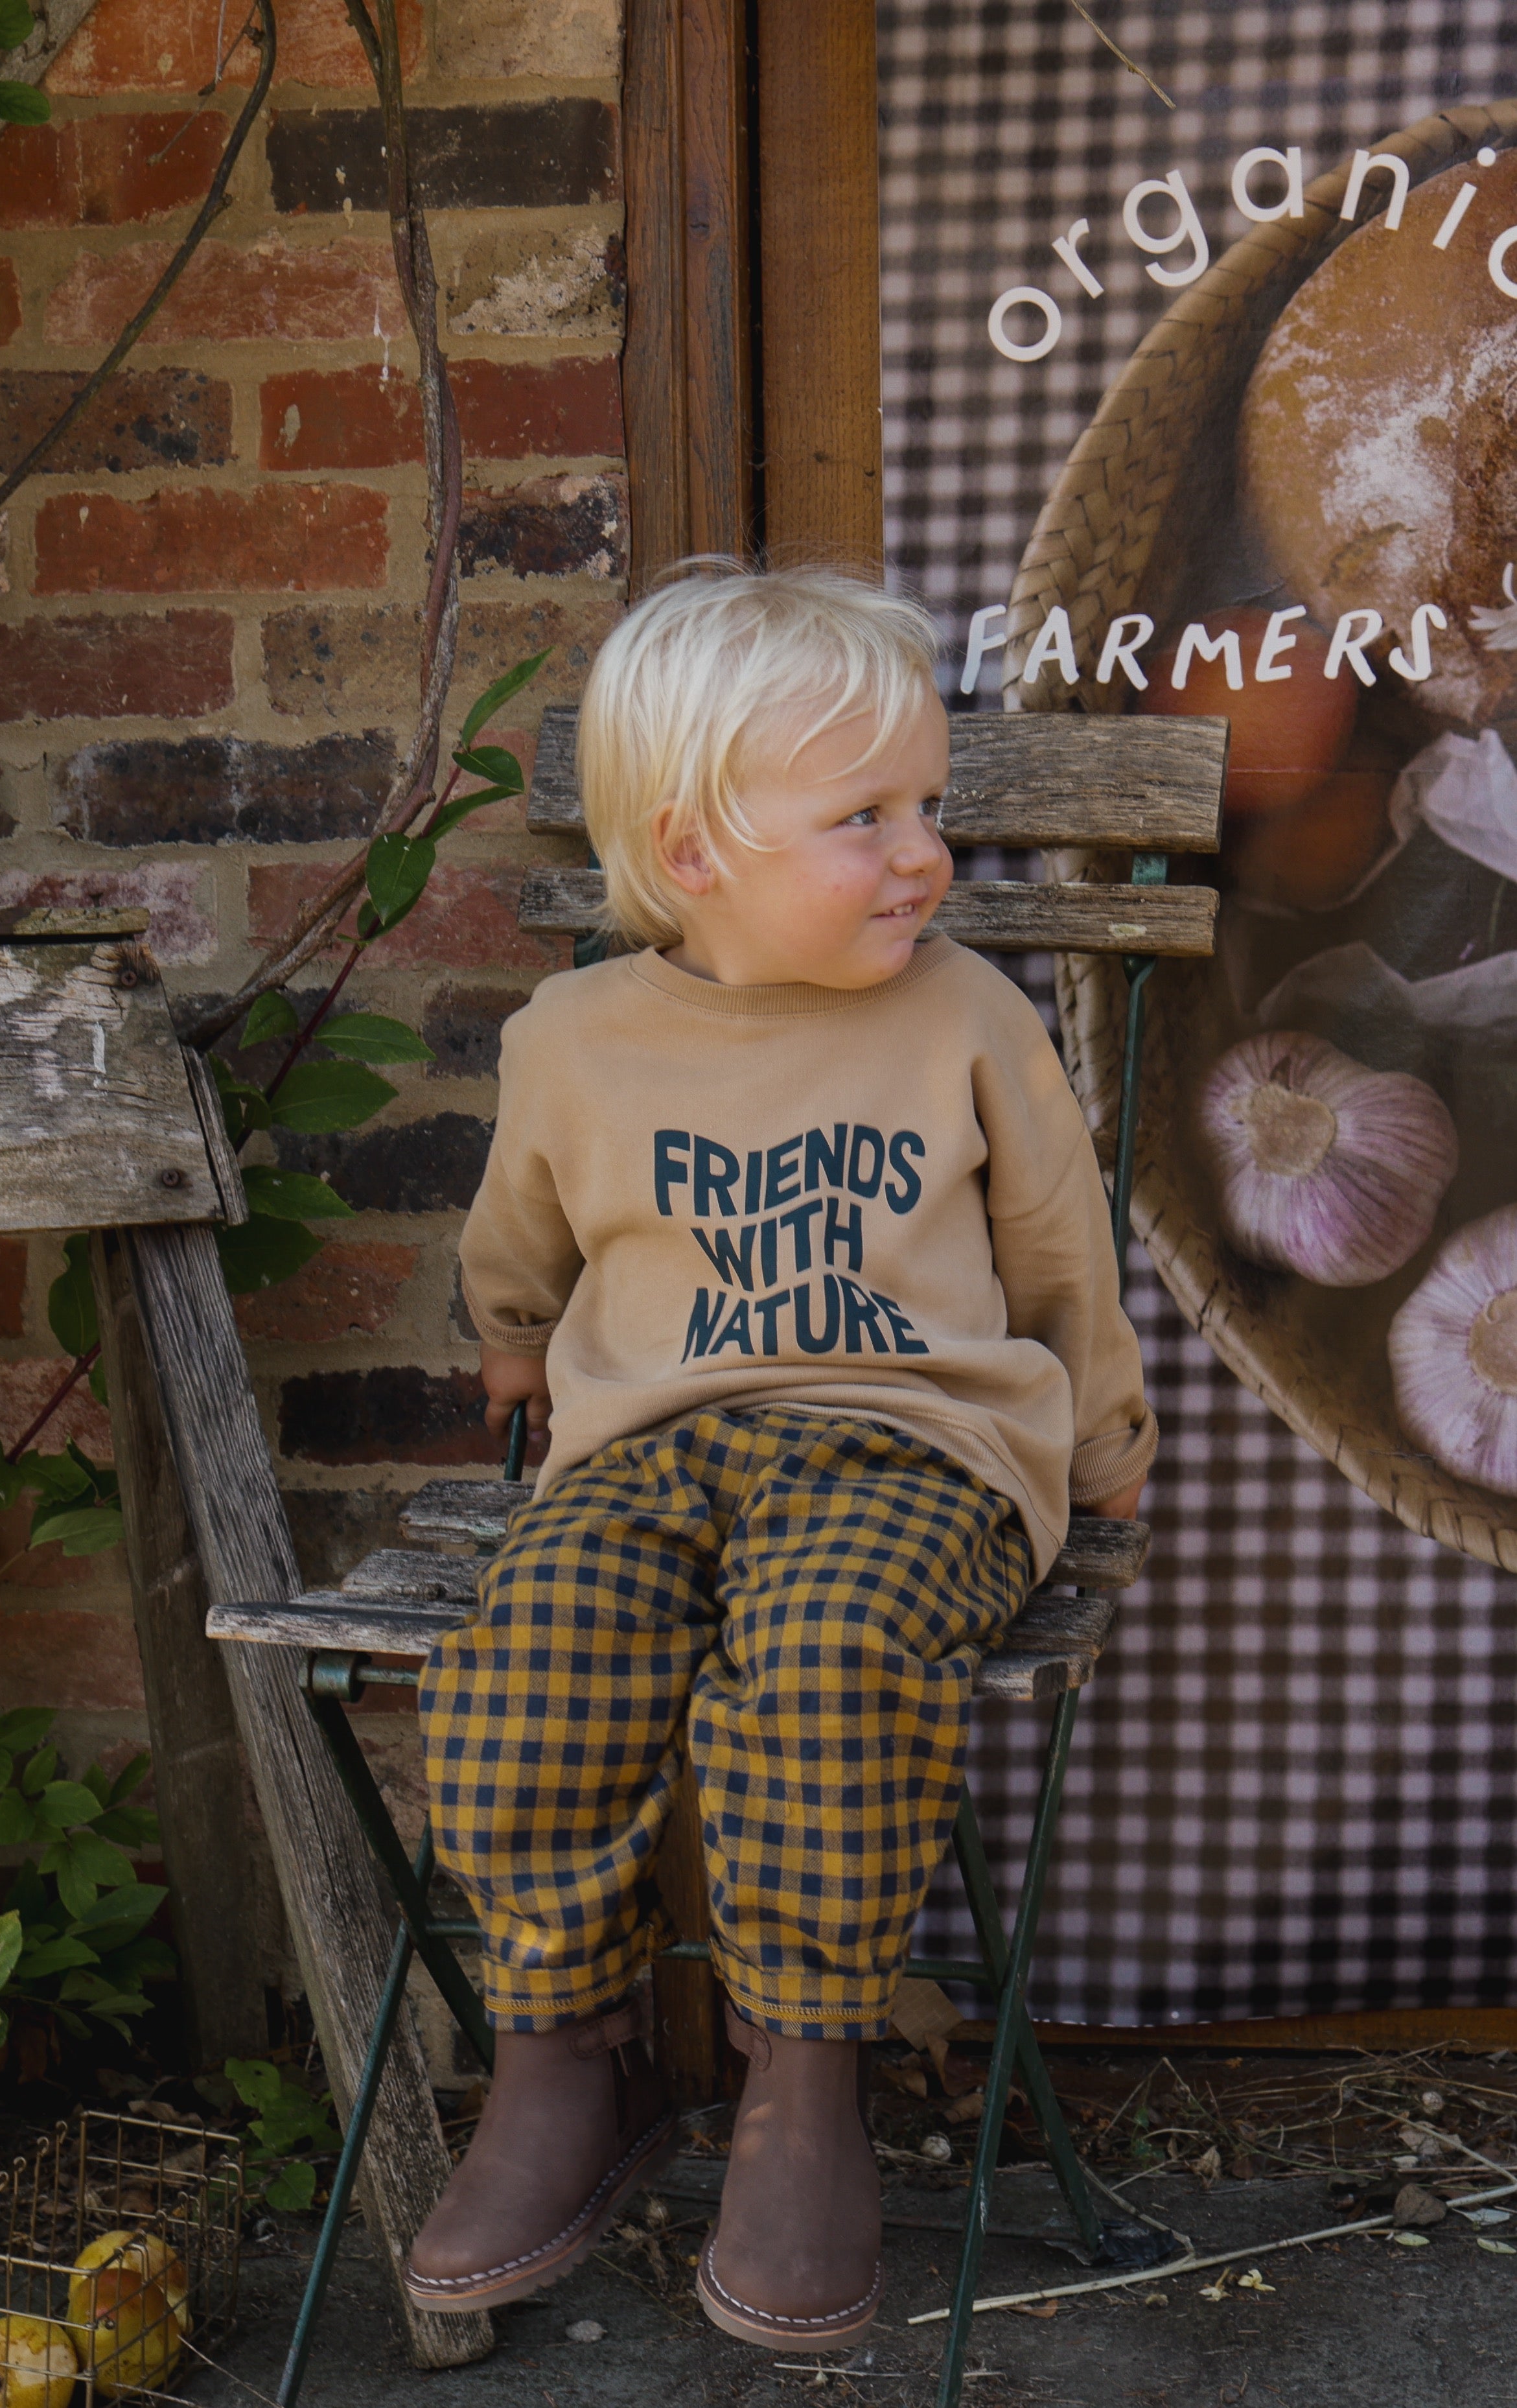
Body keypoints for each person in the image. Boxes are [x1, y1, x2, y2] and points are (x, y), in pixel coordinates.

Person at [404, 564, 1154, 2348]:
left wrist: (1105, 1439)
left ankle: (802, 2073)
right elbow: (518, 1238)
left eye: (931, 809)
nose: (922, 855)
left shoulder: (966, 1016)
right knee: (535, 1651)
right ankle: (562, 2054)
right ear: (695, 845)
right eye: (865, 817)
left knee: (823, 1653)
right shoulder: (571, 1040)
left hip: (915, 1444)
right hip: (643, 1451)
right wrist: (512, 1339)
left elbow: (1061, 1251)